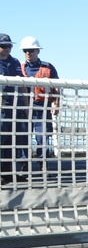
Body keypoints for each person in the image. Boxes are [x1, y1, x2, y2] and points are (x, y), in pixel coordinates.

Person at [19, 36, 59, 165]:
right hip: (23, 107)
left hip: (42, 106)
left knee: (43, 137)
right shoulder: (20, 67)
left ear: (38, 51)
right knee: (23, 136)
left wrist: (57, 104)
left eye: (31, 50)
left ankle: (43, 165)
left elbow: (57, 86)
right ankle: (24, 165)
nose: (28, 53)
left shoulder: (48, 67)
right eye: (25, 50)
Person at [0, 33, 25, 184]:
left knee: (11, 140)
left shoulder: (14, 62)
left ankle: (8, 172)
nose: (7, 49)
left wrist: (26, 104)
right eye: (3, 46)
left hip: (14, 106)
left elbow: (21, 83)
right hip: (1, 106)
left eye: (9, 46)